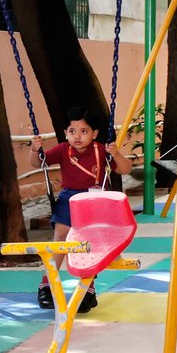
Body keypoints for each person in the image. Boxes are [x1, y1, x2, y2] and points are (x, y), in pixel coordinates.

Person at [31, 107, 133, 314]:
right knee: (60, 235)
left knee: (90, 242)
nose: (77, 136)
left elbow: (125, 169)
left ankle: (88, 287)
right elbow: (38, 163)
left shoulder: (101, 150)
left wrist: (115, 154)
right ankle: (47, 284)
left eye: (83, 131)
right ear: (66, 133)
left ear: (94, 133)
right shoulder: (62, 150)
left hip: (94, 200)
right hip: (69, 197)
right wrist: (35, 150)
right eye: (72, 131)